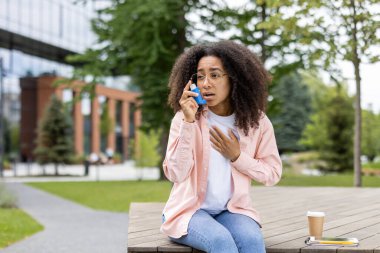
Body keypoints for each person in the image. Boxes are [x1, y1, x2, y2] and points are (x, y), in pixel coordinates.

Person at [160, 40, 282, 253]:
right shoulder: (184, 119)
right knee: (221, 242)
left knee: (253, 242)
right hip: (189, 211)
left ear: (235, 79)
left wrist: (237, 156)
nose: (206, 83)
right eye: (200, 76)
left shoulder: (257, 122)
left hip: (232, 210)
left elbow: (272, 174)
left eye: (215, 75)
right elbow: (175, 174)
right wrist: (189, 123)